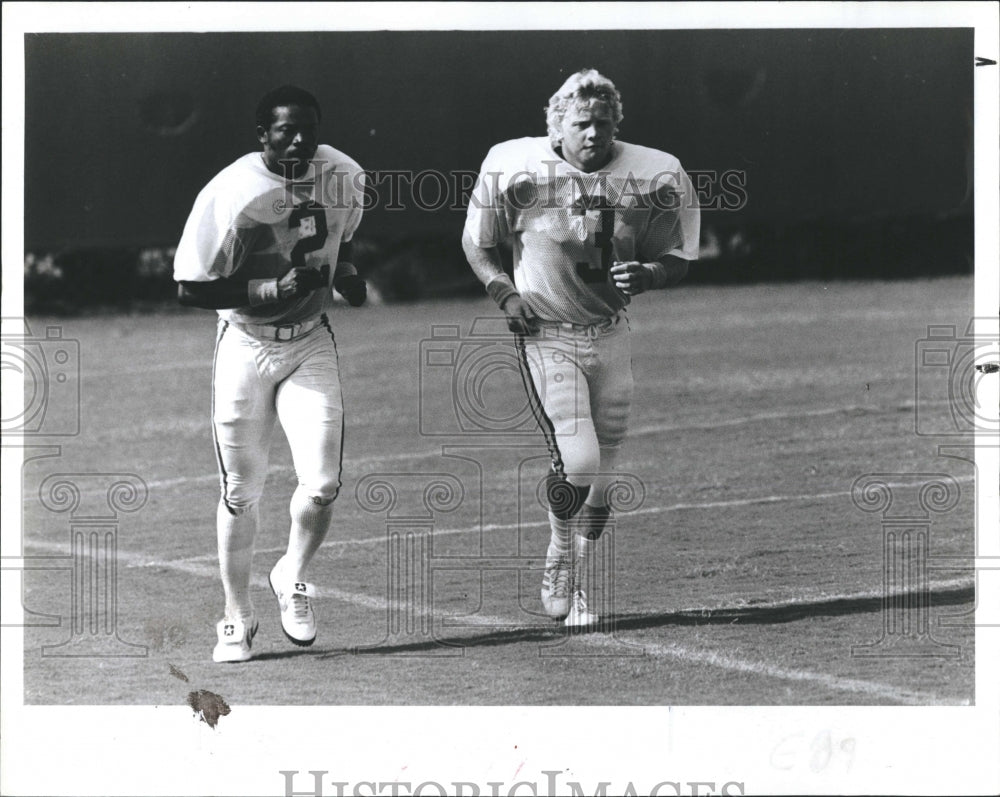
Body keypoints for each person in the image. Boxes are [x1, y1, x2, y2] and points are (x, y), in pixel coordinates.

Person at [462, 69, 700, 626]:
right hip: (546, 334)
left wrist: (651, 275)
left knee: (604, 480)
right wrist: (502, 292)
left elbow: (680, 255)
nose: (594, 133)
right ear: (557, 124)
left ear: (618, 122)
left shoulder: (656, 172)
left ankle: (581, 574)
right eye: (581, 123)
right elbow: (477, 242)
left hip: (610, 334)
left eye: (603, 122)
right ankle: (559, 555)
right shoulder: (515, 165)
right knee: (581, 460)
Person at [173, 85, 368, 662]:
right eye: (285, 130)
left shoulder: (344, 175)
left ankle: (292, 574)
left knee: (324, 483)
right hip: (245, 343)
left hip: (310, 340)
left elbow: (344, 240)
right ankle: (236, 616)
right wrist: (269, 288)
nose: (300, 139)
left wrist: (349, 275)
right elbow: (189, 287)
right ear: (263, 135)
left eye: (309, 127)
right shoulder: (235, 191)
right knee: (241, 490)